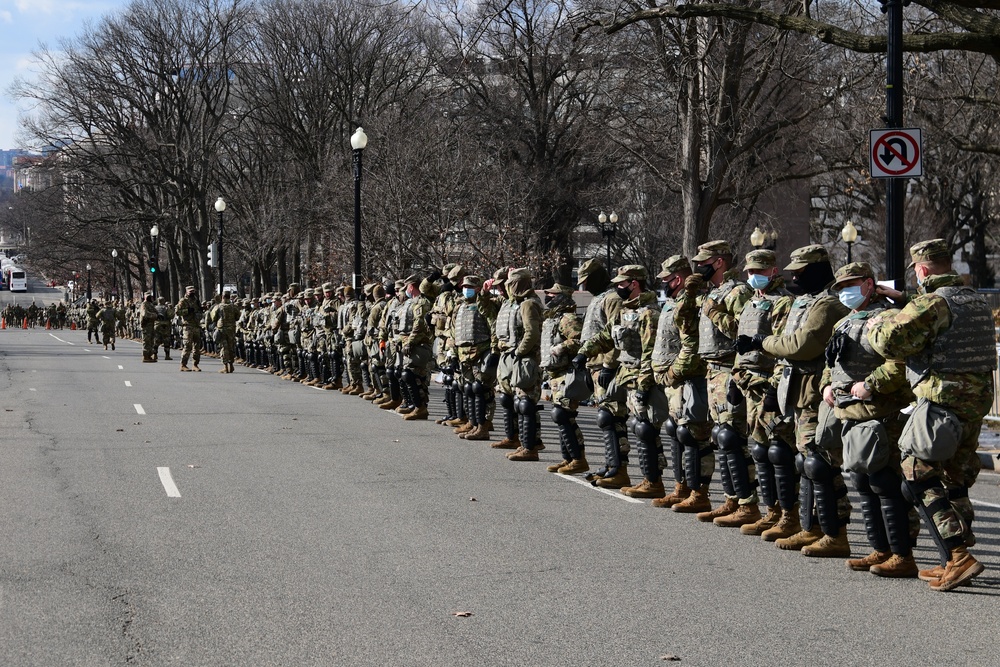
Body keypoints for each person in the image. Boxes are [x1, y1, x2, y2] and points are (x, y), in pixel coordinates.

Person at [870, 239, 996, 591]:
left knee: (917, 473)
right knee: (955, 480)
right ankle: (950, 560)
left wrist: (879, 319)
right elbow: (945, 327)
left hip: (942, 400)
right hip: (975, 402)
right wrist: (907, 304)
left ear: (921, 269)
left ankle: (958, 557)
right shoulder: (975, 300)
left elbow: (890, 343)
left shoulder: (931, 303)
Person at [737, 244, 852, 555]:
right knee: (805, 461)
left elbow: (803, 345)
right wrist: (775, 388)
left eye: (800, 272)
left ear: (816, 270)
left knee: (819, 463)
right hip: (795, 390)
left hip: (816, 391)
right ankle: (810, 526)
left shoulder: (827, 305)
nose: (795, 277)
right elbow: (787, 353)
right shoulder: (805, 302)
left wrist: (762, 342)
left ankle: (835, 533)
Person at [820, 262, 918, 577]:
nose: (845, 291)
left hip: (881, 412)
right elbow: (831, 362)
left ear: (869, 283)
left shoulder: (886, 317)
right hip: (850, 413)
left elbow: (899, 363)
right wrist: (826, 385)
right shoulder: (845, 322)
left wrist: (870, 385)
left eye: (852, 284)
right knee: (863, 481)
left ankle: (902, 555)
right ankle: (880, 549)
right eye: (841, 287)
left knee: (885, 482)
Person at [575, 265, 666, 496]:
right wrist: (584, 352)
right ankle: (626, 472)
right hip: (627, 376)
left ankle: (653, 481)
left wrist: (644, 385)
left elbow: (649, 353)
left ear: (634, 283)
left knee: (646, 428)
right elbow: (607, 335)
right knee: (625, 422)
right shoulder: (626, 310)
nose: (618, 288)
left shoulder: (648, 313)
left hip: (641, 377)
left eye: (622, 284)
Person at [688, 241, 758, 526]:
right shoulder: (713, 293)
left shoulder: (738, 291)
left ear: (718, 262)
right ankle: (731, 499)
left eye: (703, 261)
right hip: (712, 371)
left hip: (730, 370)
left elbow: (745, 333)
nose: (698, 266)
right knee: (720, 436)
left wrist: (715, 312)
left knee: (733, 438)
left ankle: (747, 504)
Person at [730, 249, 793, 534]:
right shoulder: (752, 303)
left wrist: (775, 388)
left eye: (758, 271)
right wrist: (734, 377)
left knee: (779, 451)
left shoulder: (783, 303)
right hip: (749, 384)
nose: (752, 276)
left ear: (773, 271)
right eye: (749, 272)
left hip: (769, 383)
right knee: (759, 449)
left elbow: (784, 351)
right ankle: (771, 511)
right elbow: (741, 345)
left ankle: (789, 515)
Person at [650, 256, 713, 512]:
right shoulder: (672, 304)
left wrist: (673, 373)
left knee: (695, 436)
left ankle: (700, 493)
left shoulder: (693, 304)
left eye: (666, 279)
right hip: (673, 381)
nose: (663, 284)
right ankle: (681, 487)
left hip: (690, 379)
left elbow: (691, 345)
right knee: (675, 432)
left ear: (677, 279)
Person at [575, 259, 626, 483]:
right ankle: (610, 464)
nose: (584, 287)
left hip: (607, 367)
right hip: (594, 365)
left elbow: (615, 336)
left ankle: (619, 470)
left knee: (612, 417)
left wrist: (609, 365)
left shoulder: (612, 298)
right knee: (605, 417)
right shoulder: (598, 299)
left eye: (587, 281)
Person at [495, 267, 545, 461]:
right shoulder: (521, 303)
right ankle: (523, 443)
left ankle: (530, 447)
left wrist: (519, 351)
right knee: (518, 402)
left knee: (526, 403)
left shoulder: (529, 304)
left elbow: (531, 333)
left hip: (527, 359)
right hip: (519, 357)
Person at [539, 283, 586, 474]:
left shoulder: (568, 318)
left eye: (552, 294)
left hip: (566, 373)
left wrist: (563, 347)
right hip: (554, 374)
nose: (548, 296)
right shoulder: (553, 318)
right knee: (560, 415)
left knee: (564, 415)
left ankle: (578, 459)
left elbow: (580, 340)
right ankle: (568, 458)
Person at [451, 275, 499, 441]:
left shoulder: (485, 305)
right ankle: (472, 422)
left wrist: (493, 351)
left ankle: (483, 426)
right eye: (464, 286)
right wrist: (452, 352)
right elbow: (453, 330)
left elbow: (493, 327)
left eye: (470, 286)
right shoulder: (460, 307)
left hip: (480, 351)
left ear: (479, 288)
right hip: (464, 353)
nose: (466, 289)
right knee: (469, 388)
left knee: (481, 390)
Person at [176, 285, 205, 371]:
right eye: (190, 292)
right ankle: (183, 364)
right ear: (187, 292)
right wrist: (187, 311)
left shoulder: (196, 300)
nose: (192, 293)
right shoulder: (183, 301)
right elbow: (177, 312)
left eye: (193, 291)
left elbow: (199, 310)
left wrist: (201, 309)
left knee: (197, 346)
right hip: (187, 326)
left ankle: (195, 364)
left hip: (196, 325)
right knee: (187, 346)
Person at [210, 291, 240, 373]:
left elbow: (213, 318)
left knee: (224, 347)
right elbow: (238, 317)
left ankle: (225, 366)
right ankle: (231, 365)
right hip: (231, 329)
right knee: (231, 347)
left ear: (222, 297)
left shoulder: (218, 306)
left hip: (222, 329)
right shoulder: (234, 306)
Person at [140, 293, 157, 362]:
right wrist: (155, 315)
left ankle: (149, 355)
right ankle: (145, 356)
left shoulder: (151, 304)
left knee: (151, 341)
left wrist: (158, 315)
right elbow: (145, 314)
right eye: (148, 297)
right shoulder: (144, 304)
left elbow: (156, 312)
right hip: (146, 325)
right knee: (146, 341)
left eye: (150, 296)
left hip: (151, 325)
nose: (149, 298)